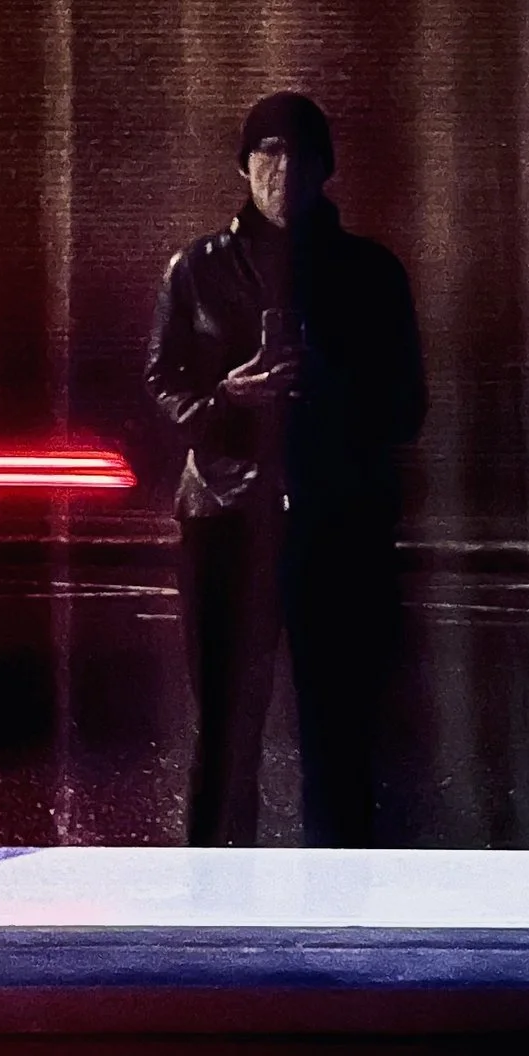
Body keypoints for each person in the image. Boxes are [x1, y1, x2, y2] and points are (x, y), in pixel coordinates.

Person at [147, 93, 426, 845]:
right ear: (243, 166)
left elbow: (407, 404)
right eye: (267, 154)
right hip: (228, 518)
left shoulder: (371, 273)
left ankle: (338, 907)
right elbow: (162, 383)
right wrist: (227, 398)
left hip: (338, 522)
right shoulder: (198, 267)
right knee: (226, 729)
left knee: (340, 732)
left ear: (327, 170)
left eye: (300, 155)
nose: (283, 171)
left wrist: (330, 385)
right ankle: (214, 903)